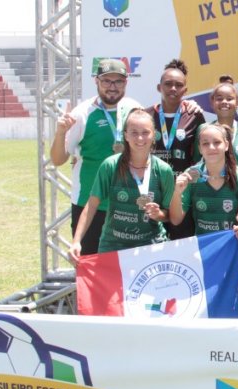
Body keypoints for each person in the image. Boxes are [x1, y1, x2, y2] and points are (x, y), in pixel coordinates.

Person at [50, 59, 142, 256]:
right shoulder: (82, 113)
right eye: (106, 81)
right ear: (96, 81)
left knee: (126, 269)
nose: (112, 87)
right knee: (90, 267)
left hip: (127, 204)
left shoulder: (135, 109)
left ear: (126, 83)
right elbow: (58, 160)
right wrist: (60, 132)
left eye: (118, 81)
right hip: (89, 205)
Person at [69, 109, 174, 262]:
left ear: (154, 135)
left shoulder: (164, 170)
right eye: (134, 132)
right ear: (125, 135)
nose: (140, 138)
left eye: (145, 132)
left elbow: (171, 214)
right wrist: (76, 241)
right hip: (113, 246)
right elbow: (91, 206)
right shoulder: (110, 165)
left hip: (151, 246)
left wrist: (159, 215)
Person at [169, 124, 238, 235]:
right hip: (202, 247)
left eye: (217, 142)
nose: (211, 147)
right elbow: (175, 220)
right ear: (200, 149)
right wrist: (177, 193)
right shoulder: (191, 176)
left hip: (234, 245)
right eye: (205, 143)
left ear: (226, 145)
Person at [146, 59, 207, 176]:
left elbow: (203, 153)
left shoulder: (194, 116)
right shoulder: (146, 116)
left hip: (184, 184)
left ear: (185, 90)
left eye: (179, 85)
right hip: (153, 183)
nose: (173, 88)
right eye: (168, 84)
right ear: (159, 87)